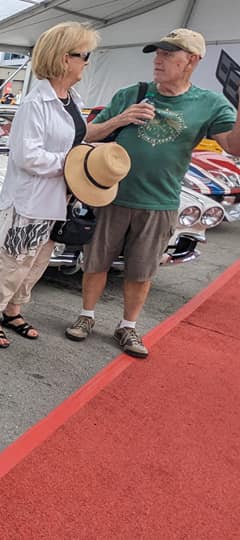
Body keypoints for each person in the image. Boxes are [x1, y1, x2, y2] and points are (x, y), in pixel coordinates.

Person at [66, 28, 240, 358]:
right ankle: (86, 317)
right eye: (157, 53)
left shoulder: (209, 103)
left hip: (160, 201)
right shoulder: (133, 93)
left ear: (191, 61)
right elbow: (88, 135)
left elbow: (234, 146)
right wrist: (121, 118)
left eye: (167, 54)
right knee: (96, 262)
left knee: (141, 271)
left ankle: (127, 327)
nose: (158, 60)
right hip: (112, 195)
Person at [0, 22, 100, 349]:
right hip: (31, 199)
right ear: (65, 58)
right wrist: (72, 164)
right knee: (16, 258)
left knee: (38, 259)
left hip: (58, 198)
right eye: (84, 55)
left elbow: (78, 138)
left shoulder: (71, 99)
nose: (87, 62)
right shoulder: (36, 103)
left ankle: (15, 309)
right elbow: (25, 156)